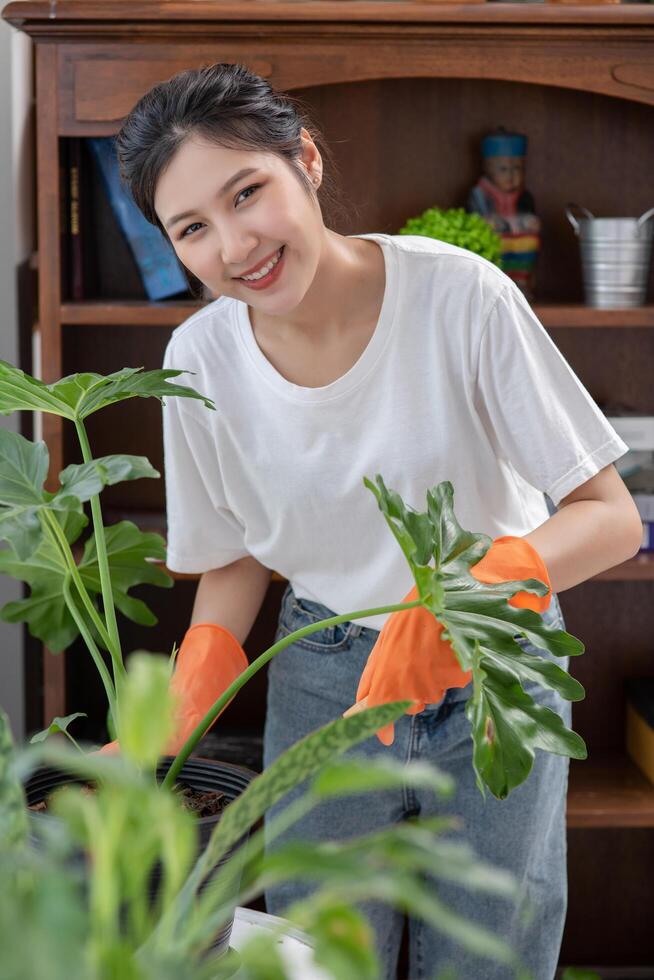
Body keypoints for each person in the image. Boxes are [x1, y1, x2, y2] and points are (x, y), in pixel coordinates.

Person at [114, 62, 641, 979]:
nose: (235, 246)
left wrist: (463, 600)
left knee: (493, 956)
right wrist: (201, 667)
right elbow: (234, 554)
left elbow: (609, 520)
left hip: (497, 661)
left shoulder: (459, 295)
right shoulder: (197, 357)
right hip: (321, 674)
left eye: (249, 193)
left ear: (306, 162)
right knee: (320, 955)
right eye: (192, 228)